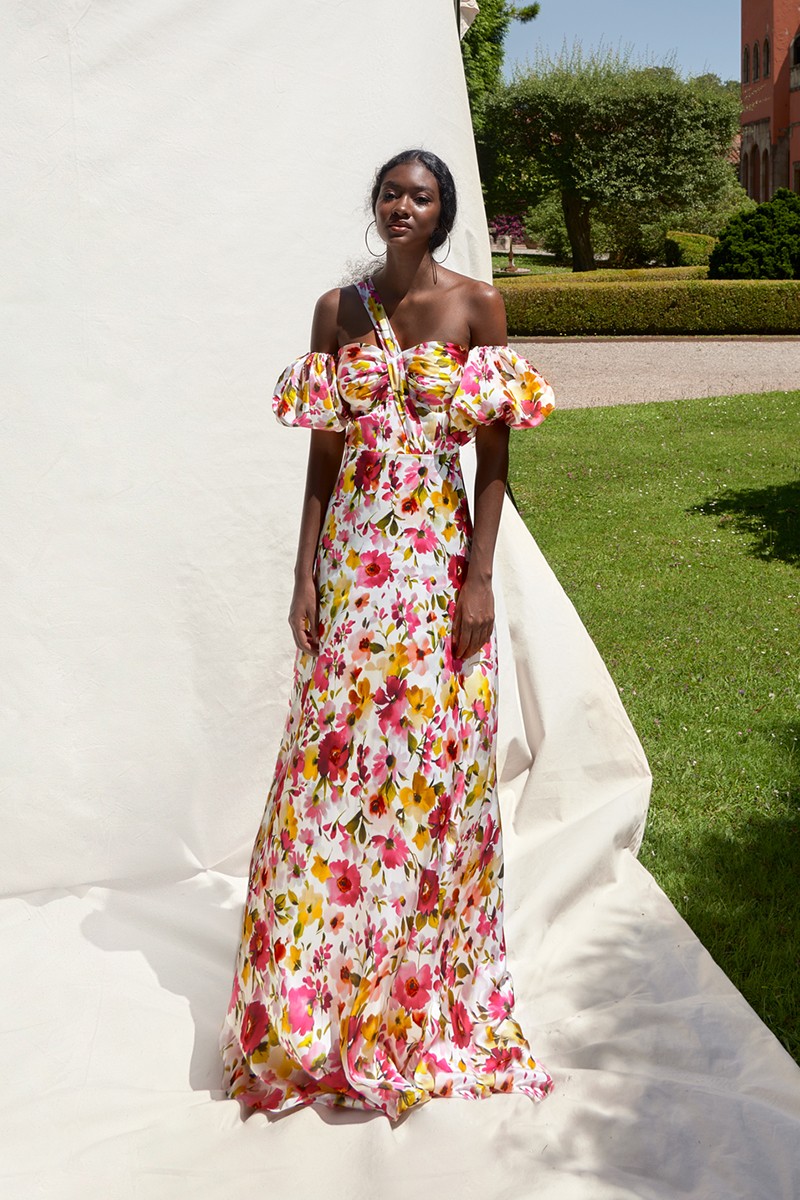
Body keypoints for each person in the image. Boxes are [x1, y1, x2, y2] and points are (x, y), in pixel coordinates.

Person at [219, 148, 556, 1121]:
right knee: (331, 767)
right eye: (390, 193)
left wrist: (480, 579)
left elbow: (493, 462)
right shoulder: (338, 311)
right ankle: (315, 1000)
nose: (402, 205)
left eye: (421, 195)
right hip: (354, 562)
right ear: (376, 205)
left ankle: (406, 997)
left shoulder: (477, 306)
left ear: (442, 212)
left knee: (427, 765)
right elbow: (323, 457)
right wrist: (302, 574)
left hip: (435, 563)